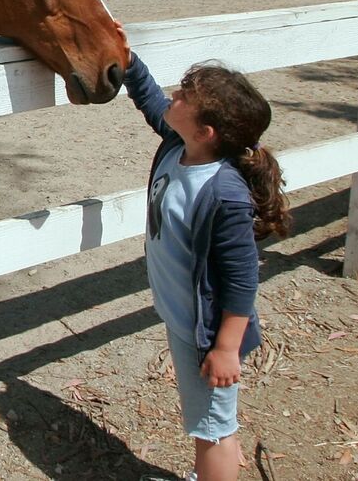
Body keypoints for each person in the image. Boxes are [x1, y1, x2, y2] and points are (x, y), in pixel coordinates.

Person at [122, 38, 291, 481]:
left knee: (213, 428)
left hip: (208, 333)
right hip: (183, 319)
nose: (172, 98)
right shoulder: (180, 146)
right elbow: (149, 98)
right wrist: (127, 59)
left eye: (183, 98)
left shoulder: (224, 196)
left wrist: (226, 348)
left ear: (205, 132)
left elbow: (240, 281)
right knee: (209, 420)